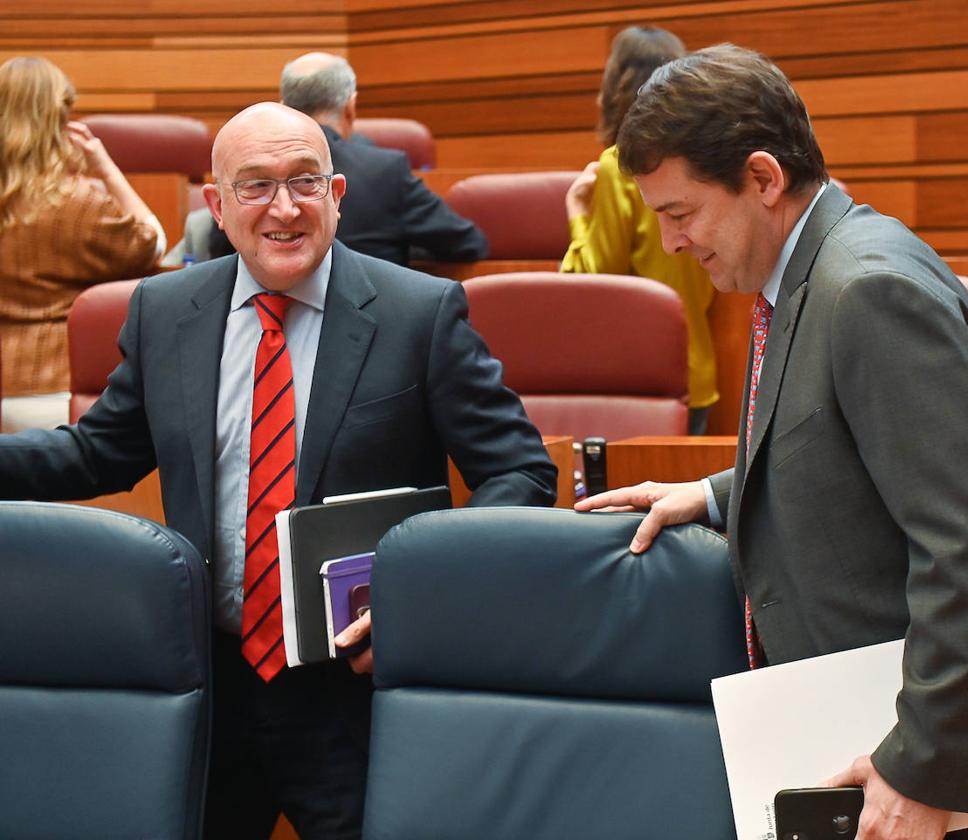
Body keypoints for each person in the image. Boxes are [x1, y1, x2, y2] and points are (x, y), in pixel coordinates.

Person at [577, 45, 968, 840]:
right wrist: (710, 494)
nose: (670, 245)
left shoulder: (870, 290)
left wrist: (921, 769)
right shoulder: (810, 274)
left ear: (763, 179)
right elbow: (837, 448)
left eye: (679, 213)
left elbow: (965, 551)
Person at [0, 102, 556, 839]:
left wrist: (419, 599)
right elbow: (97, 451)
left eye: (304, 182)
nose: (284, 208)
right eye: (256, 186)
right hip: (207, 681)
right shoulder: (165, 311)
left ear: (337, 194)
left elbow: (519, 471)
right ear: (217, 206)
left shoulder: (418, 313)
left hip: (353, 689)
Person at [168, 51, 487, 267]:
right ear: (351, 107)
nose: (286, 210)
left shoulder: (244, 172)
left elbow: (221, 250)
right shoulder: (386, 171)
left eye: (306, 183)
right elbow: (467, 243)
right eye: (263, 185)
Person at [561, 26, 718, 433]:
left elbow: (591, 286)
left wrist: (577, 213)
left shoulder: (619, 166)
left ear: (617, 85)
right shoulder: (705, 163)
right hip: (696, 370)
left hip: (634, 380)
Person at [0, 57, 164, 431]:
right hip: (54, 388)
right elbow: (151, 242)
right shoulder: (74, 203)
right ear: (57, 120)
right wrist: (105, 168)